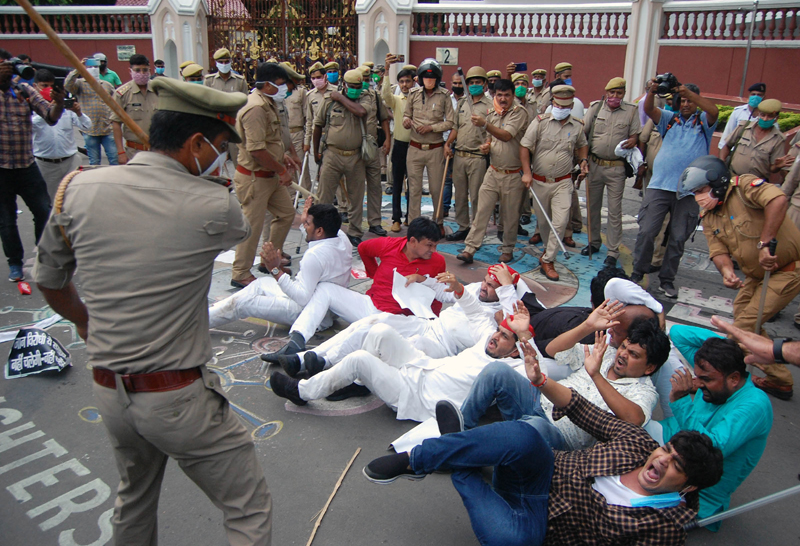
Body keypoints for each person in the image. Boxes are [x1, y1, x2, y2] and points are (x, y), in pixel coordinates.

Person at [32, 77, 272, 544]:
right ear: (197, 143)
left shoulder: (77, 187)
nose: (223, 158)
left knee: (134, 499)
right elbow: (235, 228)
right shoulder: (215, 205)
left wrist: (84, 321)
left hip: (109, 387)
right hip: (179, 399)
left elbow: (49, 280)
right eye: (221, 147)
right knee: (247, 508)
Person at [362, 342, 724, 546]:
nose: (662, 460)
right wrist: (539, 381)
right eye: (667, 451)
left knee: (509, 541)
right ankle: (419, 458)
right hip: (541, 469)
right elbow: (578, 408)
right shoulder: (637, 444)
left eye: (676, 465)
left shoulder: (663, 529)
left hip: (540, 526)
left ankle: (456, 451)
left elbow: (631, 414)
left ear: (688, 486)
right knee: (524, 434)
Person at [269, 290, 533, 423]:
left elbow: (537, 373)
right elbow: (476, 312)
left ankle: (301, 392)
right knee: (380, 331)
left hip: (416, 397)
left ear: (515, 349)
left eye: (504, 337)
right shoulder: (487, 343)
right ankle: (357, 383)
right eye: (498, 331)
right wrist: (459, 288)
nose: (495, 337)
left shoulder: (512, 371)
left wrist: (524, 337)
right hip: (422, 365)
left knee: (359, 359)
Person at [463, 305, 668, 451]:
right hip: (537, 400)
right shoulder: (605, 352)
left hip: (558, 434)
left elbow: (634, 419)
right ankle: (462, 428)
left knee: (529, 429)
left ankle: (466, 450)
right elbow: (554, 349)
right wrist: (587, 326)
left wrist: (596, 375)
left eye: (634, 355)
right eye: (624, 347)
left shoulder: (644, 390)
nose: (622, 354)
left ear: (650, 367)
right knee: (496, 370)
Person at [279, 264, 532, 377]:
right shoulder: (478, 288)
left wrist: (507, 287)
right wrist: (425, 281)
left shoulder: (504, 313)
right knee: (376, 321)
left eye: (492, 286)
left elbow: (514, 323)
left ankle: (334, 371)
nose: (485, 288)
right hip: (430, 323)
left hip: (442, 349)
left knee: (392, 347)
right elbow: (448, 291)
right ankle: (310, 359)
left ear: (504, 290)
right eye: (486, 282)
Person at [684, 155, 800, 400]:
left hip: (786, 270)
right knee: (743, 314)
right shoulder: (709, 214)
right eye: (695, 192)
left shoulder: (745, 188)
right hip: (756, 276)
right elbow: (718, 251)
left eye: (701, 190)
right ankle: (778, 376)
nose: (698, 197)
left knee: (743, 325)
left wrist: (766, 243)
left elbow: (778, 200)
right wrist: (727, 273)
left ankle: (743, 378)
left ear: (718, 183)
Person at [263, 216, 446, 358]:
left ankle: (313, 359)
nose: (433, 250)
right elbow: (364, 249)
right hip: (370, 305)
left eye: (435, 245)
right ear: (412, 241)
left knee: (358, 345)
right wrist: (374, 274)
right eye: (429, 245)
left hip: (397, 321)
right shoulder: (389, 245)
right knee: (325, 288)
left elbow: (437, 295)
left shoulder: (437, 261)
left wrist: (432, 323)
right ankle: (297, 339)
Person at [657, 333, 773, 531]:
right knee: (624, 432)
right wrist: (738, 349)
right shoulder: (717, 376)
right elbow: (678, 334)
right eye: (698, 377)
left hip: (698, 487)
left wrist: (682, 400)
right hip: (674, 440)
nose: (698, 385)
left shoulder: (755, 405)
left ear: (734, 378)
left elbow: (710, 448)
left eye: (706, 380)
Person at [631, 78, 718, 298]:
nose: (686, 104)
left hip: (689, 191)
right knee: (647, 231)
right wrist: (651, 91)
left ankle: (667, 280)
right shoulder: (670, 119)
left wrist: (686, 90)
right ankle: (638, 272)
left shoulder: (703, 123)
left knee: (678, 238)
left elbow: (714, 110)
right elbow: (649, 108)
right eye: (682, 101)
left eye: (689, 101)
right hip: (660, 186)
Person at [209, 199, 352, 329]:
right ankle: (211, 312)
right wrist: (306, 221)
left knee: (242, 304)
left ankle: (198, 323)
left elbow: (302, 298)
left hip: (309, 313)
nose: (304, 226)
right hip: (330, 309)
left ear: (319, 230)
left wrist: (275, 270)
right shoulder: (341, 238)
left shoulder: (314, 256)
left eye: (307, 224)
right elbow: (318, 236)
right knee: (260, 284)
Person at [230, 62, 298, 289]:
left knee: (286, 214)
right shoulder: (256, 108)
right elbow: (256, 149)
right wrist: (281, 170)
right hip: (254, 177)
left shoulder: (269, 103)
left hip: (270, 174)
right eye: (280, 85)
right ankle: (240, 272)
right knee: (252, 226)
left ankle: (269, 260)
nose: (284, 89)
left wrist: (282, 158)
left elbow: (270, 142)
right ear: (267, 85)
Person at [0, 54, 64, 282]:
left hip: (26, 165)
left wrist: (58, 102)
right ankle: (15, 263)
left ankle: (42, 256)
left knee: (43, 211)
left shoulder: (24, 90)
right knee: (6, 221)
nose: (7, 71)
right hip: (2, 169)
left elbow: (50, 116)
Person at [520, 84, 588, 281]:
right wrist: (527, 173)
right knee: (545, 224)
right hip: (540, 182)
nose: (561, 108)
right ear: (552, 103)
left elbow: (582, 145)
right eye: (558, 104)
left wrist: (583, 160)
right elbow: (524, 146)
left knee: (560, 221)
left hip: (563, 182)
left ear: (571, 105)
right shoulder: (540, 122)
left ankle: (548, 259)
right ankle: (546, 251)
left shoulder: (576, 126)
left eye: (565, 105)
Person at [457, 79, 528, 264]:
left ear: (513, 96)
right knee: (481, 211)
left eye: (507, 95)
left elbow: (505, 136)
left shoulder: (519, 113)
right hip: (493, 170)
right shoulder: (493, 112)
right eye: (499, 95)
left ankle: (507, 249)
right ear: (494, 95)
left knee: (511, 215)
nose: (503, 99)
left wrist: (484, 125)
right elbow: (491, 138)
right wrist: (487, 145)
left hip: (513, 174)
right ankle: (470, 248)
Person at [582, 77, 641, 267]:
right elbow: (583, 133)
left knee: (615, 211)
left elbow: (635, 135)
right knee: (593, 207)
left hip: (616, 167)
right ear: (606, 92)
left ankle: (613, 251)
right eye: (612, 93)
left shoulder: (631, 111)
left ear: (624, 94)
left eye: (619, 93)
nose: (615, 96)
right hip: (595, 164)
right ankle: (593, 242)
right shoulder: (596, 108)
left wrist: (633, 140)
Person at [312, 69, 371, 246]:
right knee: (324, 196)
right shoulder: (329, 100)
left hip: (355, 155)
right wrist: (316, 152)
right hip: (332, 154)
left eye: (358, 87)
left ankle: (354, 231)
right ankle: (322, 230)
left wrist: (340, 98)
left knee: (356, 196)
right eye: (351, 86)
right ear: (344, 85)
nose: (355, 90)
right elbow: (317, 126)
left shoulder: (364, 98)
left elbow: (361, 112)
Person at [403, 58, 455, 224]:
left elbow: (451, 122)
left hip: (435, 148)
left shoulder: (444, 96)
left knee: (436, 189)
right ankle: (413, 223)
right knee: (414, 189)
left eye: (432, 78)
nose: (429, 81)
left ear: (437, 79)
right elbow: (407, 115)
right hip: (415, 148)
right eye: (426, 78)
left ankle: (438, 221)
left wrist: (432, 127)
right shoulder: (413, 94)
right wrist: (406, 121)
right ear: (421, 78)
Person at [444, 66, 492, 242]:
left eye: (478, 82)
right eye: (471, 82)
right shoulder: (463, 103)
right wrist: (448, 144)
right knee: (460, 195)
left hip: (477, 157)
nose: (474, 85)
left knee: (478, 196)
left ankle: (477, 230)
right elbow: (456, 127)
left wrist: (489, 144)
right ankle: (463, 227)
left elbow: (493, 131)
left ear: (485, 84)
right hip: (460, 155)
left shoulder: (490, 105)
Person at [31, 70, 92, 199]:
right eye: (44, 86)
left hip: (69, 160)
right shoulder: (31, 105)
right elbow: (29, 126)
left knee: (75, 196)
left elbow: (87, 126)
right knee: (50, 200)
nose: (48, 89)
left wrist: (79, 113)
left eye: (51, 86)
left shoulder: (65, 105)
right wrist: (50, 111)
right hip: (45, 163)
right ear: (35, 86)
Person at [719, 98, 794, 180]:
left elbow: (772, 168)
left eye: (770, 116)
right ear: (758, 114)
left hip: (757, 183)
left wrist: (777, 166)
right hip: (734, 178)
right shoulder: (744, 127)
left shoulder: (778, 138)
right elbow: (727, 145)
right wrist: (722, 163)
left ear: (776, 118)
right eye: (763, 115)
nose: (765, 119)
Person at [357, 64, 392, 237]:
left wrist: (387, 138)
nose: (365, 83)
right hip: (353, 147)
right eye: (361, 80)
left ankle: (375, 222)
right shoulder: (346, 95)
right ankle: (355, 226)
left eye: (367, 79)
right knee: (355, 187)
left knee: (375, 185)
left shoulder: (374, 95)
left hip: (371, 146)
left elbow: (384, 118)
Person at [382, 55, 416, 232]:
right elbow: (385, 95)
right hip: (400, 145)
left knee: (413, 184)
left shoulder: (419, 98)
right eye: (402, 81)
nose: (405, 85)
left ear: (413, 82)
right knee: (397, 183)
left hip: (416, 147)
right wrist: (387, 70)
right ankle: (396, 218)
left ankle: (410, 217)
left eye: (408, 81)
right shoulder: (396, 101)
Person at [65, 58, 118, 166]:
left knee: (114, 159)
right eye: (90, 67)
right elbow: (67, 85)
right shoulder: (80, 84)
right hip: (90, 131)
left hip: (107, 129)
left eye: (95, 66)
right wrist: (78, 68)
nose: (93, 69)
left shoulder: (106, 85)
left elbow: (117, 103)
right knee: (94, 162)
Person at [112, 54, 158, 163]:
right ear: (130, 70)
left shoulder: (159, 90)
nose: (142, 74)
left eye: (145, 70)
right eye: (137, 70)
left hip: (158, 150)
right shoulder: (122, 94)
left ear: (150, 70)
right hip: (135, 151)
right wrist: (120, 152)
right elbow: (116, 123)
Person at [280, 61, 312, 192]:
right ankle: (291, 199)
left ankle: (307, 197)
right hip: (281, 136)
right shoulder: (276, 96)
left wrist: (307, 140)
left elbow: (308, 118)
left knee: (301, 168)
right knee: (286, 169)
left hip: (297, 134)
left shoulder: (300, 93)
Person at [718, 82, 765, 150]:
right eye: (753, 94)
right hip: (735, 151)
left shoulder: (767, 115)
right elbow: (728, 132)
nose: (755, 97)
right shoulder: (738, 111)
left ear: (764, 97)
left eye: (759, 95)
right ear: (749, 95)